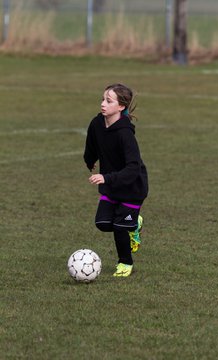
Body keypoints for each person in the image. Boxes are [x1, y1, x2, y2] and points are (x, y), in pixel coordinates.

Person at [83, 83, 148, 277]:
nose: (103, 104)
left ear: (121, 106)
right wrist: (89, 160)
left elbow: (133, 168)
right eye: (103, 99)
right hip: (111, 187)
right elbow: (92, 143)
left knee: (120, 227)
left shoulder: (125, 133)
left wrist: (105, 177)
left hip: (132, 188)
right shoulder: (97, 123)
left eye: (109, 101)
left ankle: (125, 263)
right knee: (102, 223)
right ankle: (134, 223)